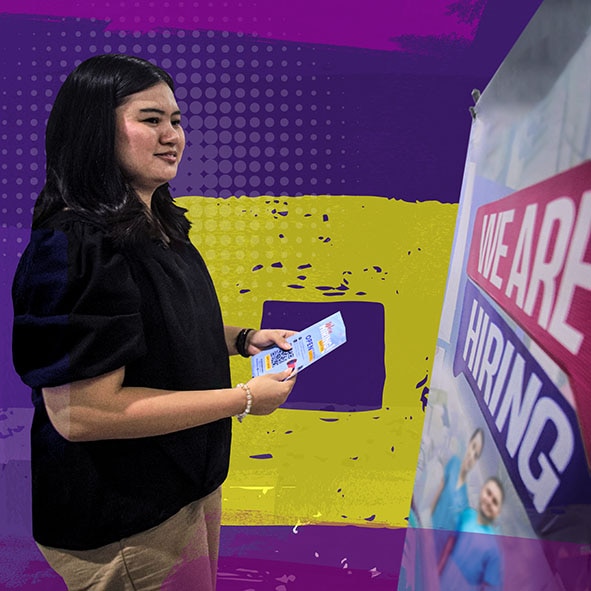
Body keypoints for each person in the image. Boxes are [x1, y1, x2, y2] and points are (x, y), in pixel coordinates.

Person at [11, 54, 297, 591]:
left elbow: (157, 327)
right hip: (127, 514)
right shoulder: (75, 245)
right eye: (150, 119)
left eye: (177, 120)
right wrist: (244, 400)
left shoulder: (155, 221)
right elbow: (82, 414)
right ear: (97, 127)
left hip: (184, 484)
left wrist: (244, 339)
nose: (172, 136)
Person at [438, 477, 505, 590]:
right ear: (482, 490)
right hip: (442, 582)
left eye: (495, 501)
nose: (489, 501)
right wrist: (437, 571)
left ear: (498, 511)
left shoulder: (496, 546)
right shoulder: (467, 515)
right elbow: (450, 544)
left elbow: (490, 585)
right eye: (488, 493)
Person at [431, 427, 485, 532]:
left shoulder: (465, 500)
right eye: (473, 447)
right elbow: (438, 491)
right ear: (469, 444)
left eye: (476, 455)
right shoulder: (453, 463)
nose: (472, 455)